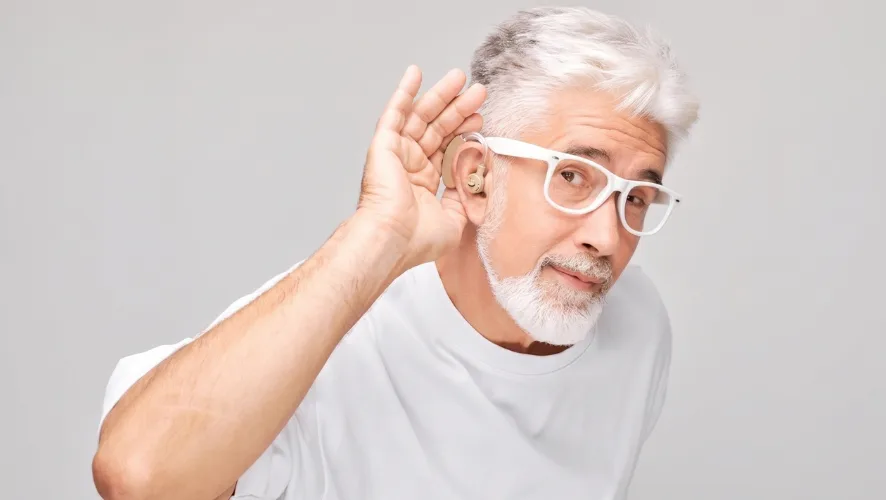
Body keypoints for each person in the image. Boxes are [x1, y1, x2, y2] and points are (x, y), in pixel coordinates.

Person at [92, 6, 699, 500]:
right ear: (477, 177)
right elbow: (140, 479)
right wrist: (376, 234)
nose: (610, 237)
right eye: (572, 176)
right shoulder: (328, 350)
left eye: (637, 197)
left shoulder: (637, 329)